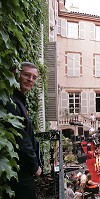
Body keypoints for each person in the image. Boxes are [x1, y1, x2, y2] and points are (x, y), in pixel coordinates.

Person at [3, 62, 42, 199]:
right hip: (20, 171)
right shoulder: (12, 102)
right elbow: (22, 139)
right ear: (17, 75)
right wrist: (35, 167)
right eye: (26, 75)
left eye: (34, 77)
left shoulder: (19, 101)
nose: (30, 80)